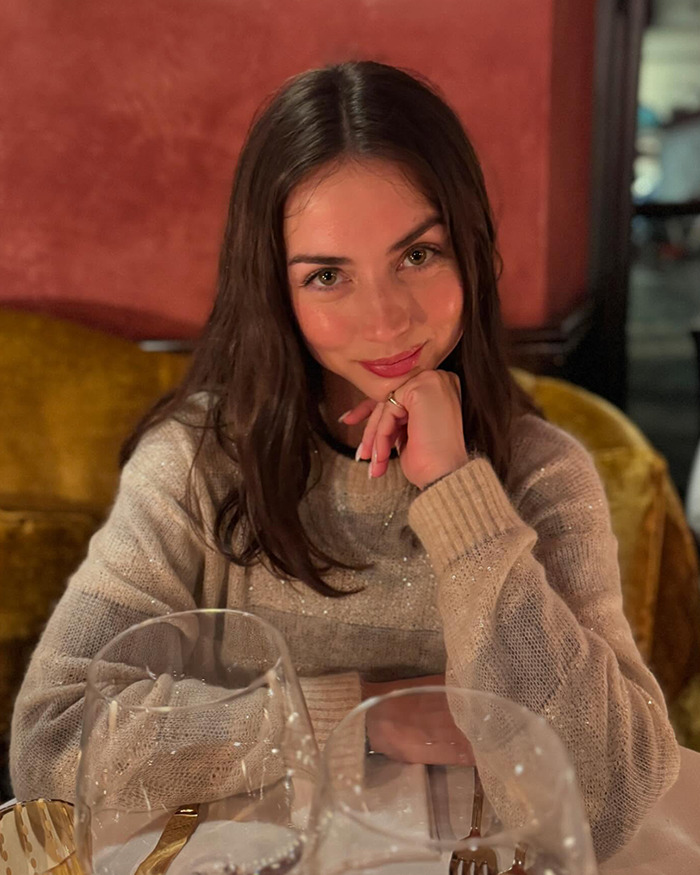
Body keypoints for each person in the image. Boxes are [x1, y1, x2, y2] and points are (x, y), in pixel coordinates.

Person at [10, 60, 679, 860]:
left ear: (470, 249)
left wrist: (457, 490)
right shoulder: (196, 463)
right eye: (328, 275)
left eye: (418, 255)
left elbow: (604, 795)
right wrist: (362, 714)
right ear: (276, 292)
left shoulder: (543, 473)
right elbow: (53, 738)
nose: (386, 317)